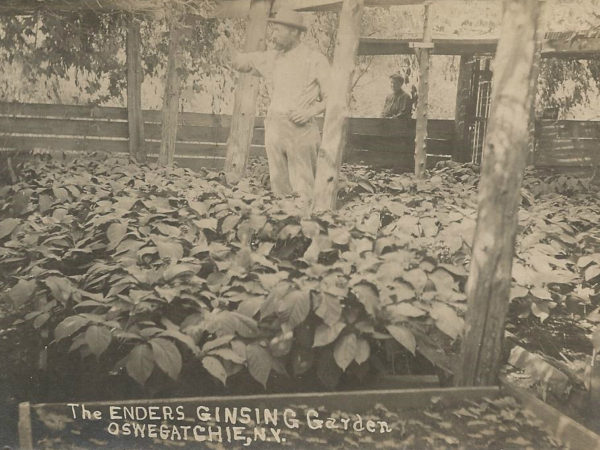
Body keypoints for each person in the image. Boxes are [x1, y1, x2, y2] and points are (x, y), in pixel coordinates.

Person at [229, 9, 331, 201]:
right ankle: (285, 226)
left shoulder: (315, 60)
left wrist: (310, 112)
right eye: (273, 30)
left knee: (303, 189)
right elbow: (241, 62)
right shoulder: (272, 58)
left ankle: (307, 227)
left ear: (294, 32)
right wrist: (225, 42)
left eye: (278, 31)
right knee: (279, 187)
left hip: (300, 130)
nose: (273, 35)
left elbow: (333, 98)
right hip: (275, 128)